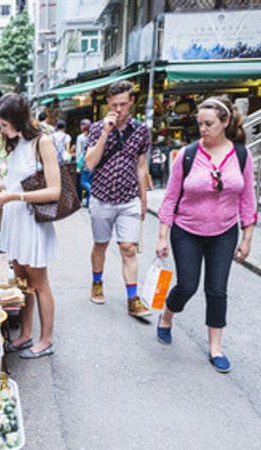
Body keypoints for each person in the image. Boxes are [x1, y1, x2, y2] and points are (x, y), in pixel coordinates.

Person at [155, 96, 257, 374]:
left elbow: (248, 197)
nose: (203, 129)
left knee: (217, 289)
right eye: (200, 124)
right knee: (187, 285)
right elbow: (171, 197)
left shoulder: (241, 155)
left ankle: (216, 347)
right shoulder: (187, 155)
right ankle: (167, 316)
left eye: (209, 123)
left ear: (224, 122)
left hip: (224, 231)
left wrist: (247, 237)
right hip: (186, 230)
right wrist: (163, 235)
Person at [0, 93, 61, 359]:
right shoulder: (17, 142)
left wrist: (14, 196)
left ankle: (46, 340)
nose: (1, 130)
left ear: (19, 121)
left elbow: (54, 191)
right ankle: (26, 333)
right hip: (15, 220)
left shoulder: (43, 143)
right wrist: (2, 190)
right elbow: (18, 182)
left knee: (39, 284)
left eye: (4, 125)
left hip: (31, 222)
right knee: (23, 283)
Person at [84, 80, 151, 318]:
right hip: (102, 197)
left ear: (131, 101)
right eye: (114, 104)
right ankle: (97, 282)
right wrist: (105, 132)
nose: (119, 109)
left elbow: (141, 167)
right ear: (108, 104)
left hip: (128, 198)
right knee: (101, 245)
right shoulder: (95, 129)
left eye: (123, 104)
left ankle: (133, 298)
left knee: (128, 248)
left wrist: (143, 200)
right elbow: (89, 163)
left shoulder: (141, 131)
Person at [74, 119, 92, 206]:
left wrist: (78, 166)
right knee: (89, 181)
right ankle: (88, 202)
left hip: (84, 163)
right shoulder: (94, 136)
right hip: (94, 163)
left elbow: (79, 152)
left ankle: (92, 191)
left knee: (83, 182)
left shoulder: (80, 137)